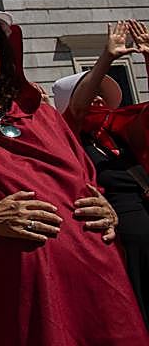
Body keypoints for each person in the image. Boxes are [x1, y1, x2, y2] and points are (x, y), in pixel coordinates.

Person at [0, 3, 146, 345]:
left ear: (1, 48)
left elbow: (86, 182)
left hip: (96, 289)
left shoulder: (43, 115)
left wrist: (109, 211)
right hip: (15, 304)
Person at [51, 19, 149, 325]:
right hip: (118, 246)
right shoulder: (68, 140)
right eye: (90, 90)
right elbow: (77, 111)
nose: (97, 98)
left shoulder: (121, 132)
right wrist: (107, 58)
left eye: (100, 93)